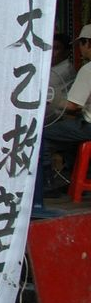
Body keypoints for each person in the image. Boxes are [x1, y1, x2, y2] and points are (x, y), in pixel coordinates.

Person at [38, 23, 91, 202]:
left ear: (88, 44)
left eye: (82, 45)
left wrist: (51, 99)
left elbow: (73, 106)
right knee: (68, 135)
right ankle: (75, 177)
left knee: (42, 135)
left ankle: (47, 183)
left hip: (88, 126)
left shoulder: (88, 70)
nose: (81, 50)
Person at [47, 33, 77, 124]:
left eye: (56, 48)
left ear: (67, 52)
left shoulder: (65, 69)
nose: (52, 52)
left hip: (58, 114)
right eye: (50, 48)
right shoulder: (52, 67)